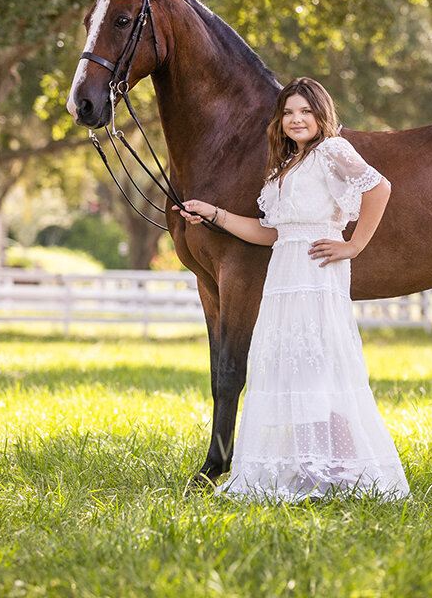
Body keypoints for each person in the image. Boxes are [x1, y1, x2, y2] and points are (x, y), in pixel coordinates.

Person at [174, 77, 410, 501]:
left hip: (316, 277)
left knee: (320, 368)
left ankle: (343, 468)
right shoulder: (287, 165)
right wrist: (215, 215)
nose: (296, 120)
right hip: (285, 277)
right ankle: (311, 464)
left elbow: (380, 187)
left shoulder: (333, 151)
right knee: (294, 368)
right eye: (288, 113)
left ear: (322, 115)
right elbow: (272, 233)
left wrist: (354, 244)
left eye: (305, 111)